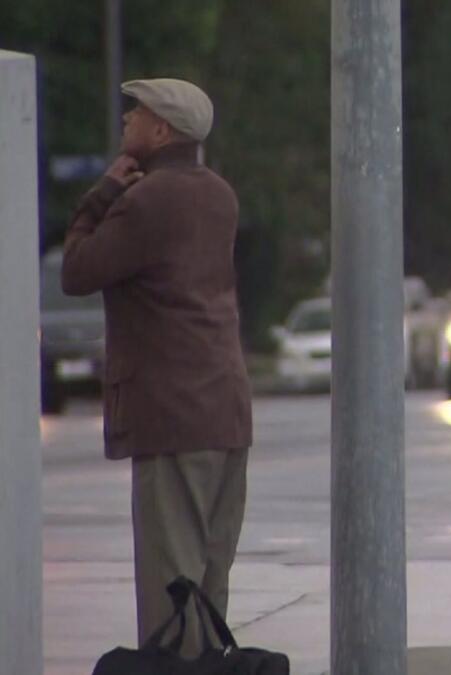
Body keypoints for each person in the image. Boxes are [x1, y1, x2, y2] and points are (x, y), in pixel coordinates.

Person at [61, 78, 251, 655]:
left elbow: (77, 271)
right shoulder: (220, 195)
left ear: (162, 130)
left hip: (173, 414)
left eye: (136, 114)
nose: (126, 122)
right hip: (225, 409)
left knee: (173, 589)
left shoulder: (146, 200)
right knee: (208, 586)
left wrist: (100, 195)